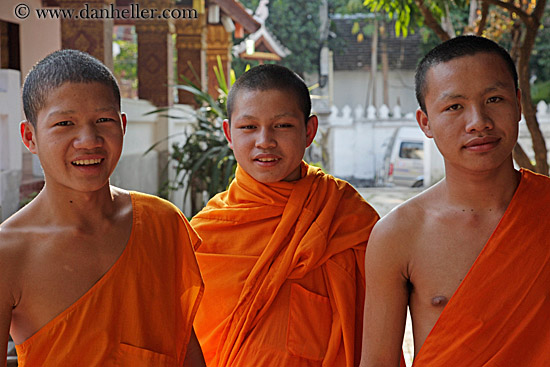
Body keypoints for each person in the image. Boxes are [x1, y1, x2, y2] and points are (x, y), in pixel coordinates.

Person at [0, 49, 206, 367]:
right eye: (64, 123)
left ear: (122, 125)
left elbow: (184, 345)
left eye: (103, 120)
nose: (89, 139)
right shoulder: (9, 253)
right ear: (30, 137)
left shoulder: (162, 222)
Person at [360, 35, 550, 367]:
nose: (478, 122)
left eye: (494, 99)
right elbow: (378, 362)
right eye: (454, 106)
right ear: (426, 122)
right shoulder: (398, 235)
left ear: (519, 104)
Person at [190, 64, 380, 367]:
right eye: (248, 127)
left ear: (309, 131)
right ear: (228, 133)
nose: (264, 141)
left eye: (282, 126)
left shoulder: (344, 217)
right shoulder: (204, 235)